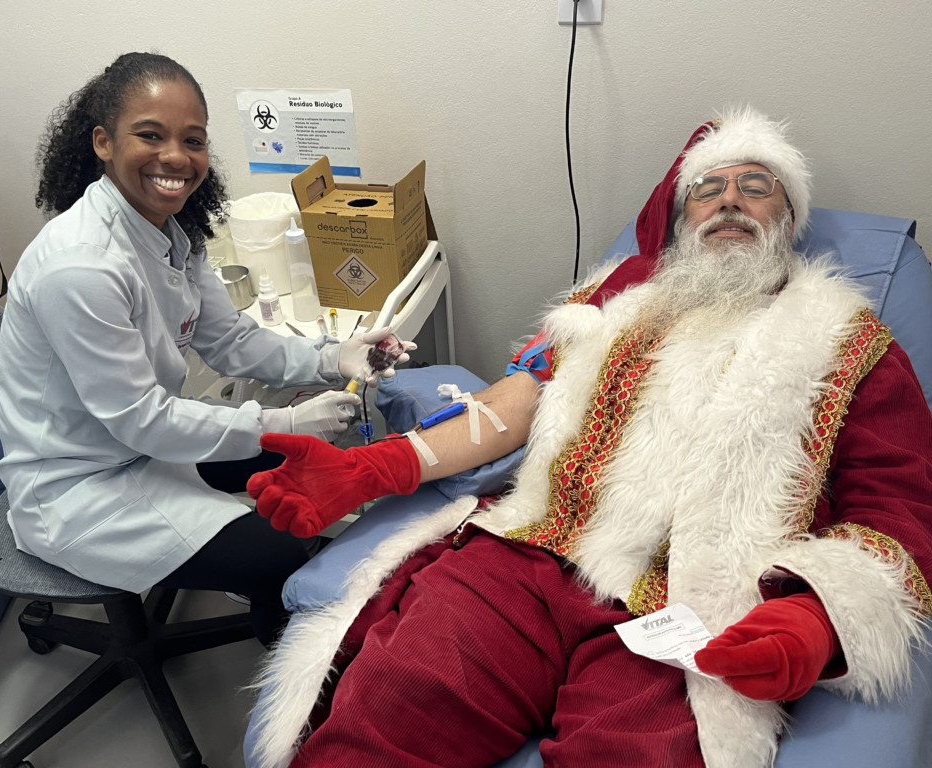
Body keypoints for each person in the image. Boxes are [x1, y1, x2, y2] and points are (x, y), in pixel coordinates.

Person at [244, 105, 932, 768]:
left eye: (756, 187)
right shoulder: (611, 302)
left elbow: (901, 507)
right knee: (389, 708)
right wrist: (377, 466)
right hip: (524, 558)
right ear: (678, 216)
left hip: (687, 602)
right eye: (708, 188)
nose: (729, 201)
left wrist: (817, 616)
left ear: (786, 218)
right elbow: (513, 403)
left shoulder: (848, 342)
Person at [0, 52, 411, 646]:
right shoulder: (80, 267)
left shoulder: (170, 232)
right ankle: (296, 694)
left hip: (138, 447)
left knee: (309, 460)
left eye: (192, 140)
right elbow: (142, 420)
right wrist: (286, 418)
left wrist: (332, 356)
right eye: (150, 134)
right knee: (281, 550)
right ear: (102, 142)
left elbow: (230, 340)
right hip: (80, 487)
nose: (176, 157)